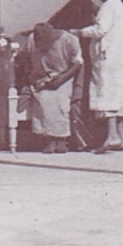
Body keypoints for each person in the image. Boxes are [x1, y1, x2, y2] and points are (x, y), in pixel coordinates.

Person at [77, 0, 123, 151]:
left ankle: (112, 136)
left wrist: (80, 32)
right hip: (116, 58)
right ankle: (120, 138)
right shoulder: (118, 4)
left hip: (107, 58)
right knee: (117, 95)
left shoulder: (109, 6)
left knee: (108, 95)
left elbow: (100, 30)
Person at [27, 22, 82, 154]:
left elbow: (77, 64)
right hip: (41, 77)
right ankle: (50, 139)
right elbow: (28, 60)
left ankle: (62, 139)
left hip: (63, 77)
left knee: (60, 100)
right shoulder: (31, 40)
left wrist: (61, 79)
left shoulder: (69, 40)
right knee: (42, 99)